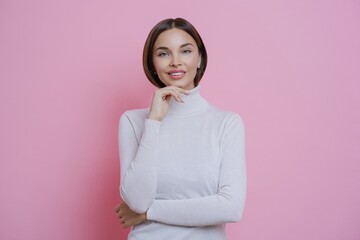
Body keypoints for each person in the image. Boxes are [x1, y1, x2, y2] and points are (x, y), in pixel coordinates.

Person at [114, 17, 246, 240]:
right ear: (153, 64)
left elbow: (230, 207)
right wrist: (154, 122)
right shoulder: (133, 122)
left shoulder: (227, 123)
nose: (175, 61)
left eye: (185, 51)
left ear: (200, 58)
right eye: (163, 53)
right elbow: (136, 201)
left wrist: (148, 213)